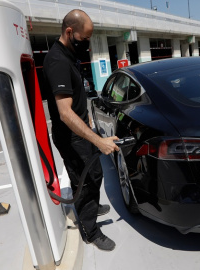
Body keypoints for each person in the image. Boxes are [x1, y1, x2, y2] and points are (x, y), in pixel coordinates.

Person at [43, 9, 119, 251]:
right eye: (85, 38)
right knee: (84, 182)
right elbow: (65, 113)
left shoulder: (69, 54)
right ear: (69, 32)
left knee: (95, 173)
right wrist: (98, 140)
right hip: (70, 136)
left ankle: (92, 207)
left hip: (80, 131)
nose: (87, 43)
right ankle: (91, 231)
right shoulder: (57, 61)